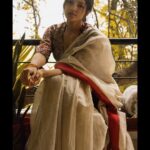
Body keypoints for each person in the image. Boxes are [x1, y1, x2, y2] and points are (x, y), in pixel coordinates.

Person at [20, 0, 134, 149]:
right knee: (57, 82)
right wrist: (33, 66)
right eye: (70, 2)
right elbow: (43, 51)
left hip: (87, 84)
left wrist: (43, 73)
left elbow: (78, 69)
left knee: (58, 83)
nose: (73, 8)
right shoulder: (53, 30)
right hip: (59, 80)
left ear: (86, 11)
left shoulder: (92, 36)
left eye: (80, 5)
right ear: (64, 5)